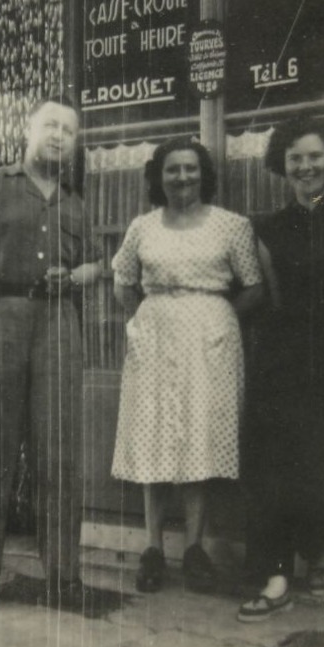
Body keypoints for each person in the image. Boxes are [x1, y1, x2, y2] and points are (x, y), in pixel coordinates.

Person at [0, 95, 101, 611]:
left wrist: (80, 274)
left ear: (74, 144)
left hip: (59, 323)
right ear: (28, 130)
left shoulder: (76, 202)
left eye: (68, 131)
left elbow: (97, 265)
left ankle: (64, 577)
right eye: (50, 125)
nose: (58, 136)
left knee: (60, 453)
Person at [111, 136, 263, 594]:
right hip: (154, 337)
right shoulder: (143, 227)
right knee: (153, 436)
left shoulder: (230, 226)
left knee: (199, 436)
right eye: (173, 169)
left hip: (211, 341)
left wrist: (216, 320)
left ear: (204, 174)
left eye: (191, 169)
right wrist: (142, 318)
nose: (182, 177)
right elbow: (123, 281)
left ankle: (195, 548)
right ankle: (153, 548)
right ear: (159, 176)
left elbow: (254, 286)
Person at [238, 117, 324, 622]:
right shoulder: (268, 228)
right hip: (279, 362)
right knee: (269, 468)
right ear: (282, 165)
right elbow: (271, 301)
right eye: (295, 157)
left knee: (322, 467)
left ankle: (318, 554)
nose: (305, 166)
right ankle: (274, 577)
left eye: (314, 156)